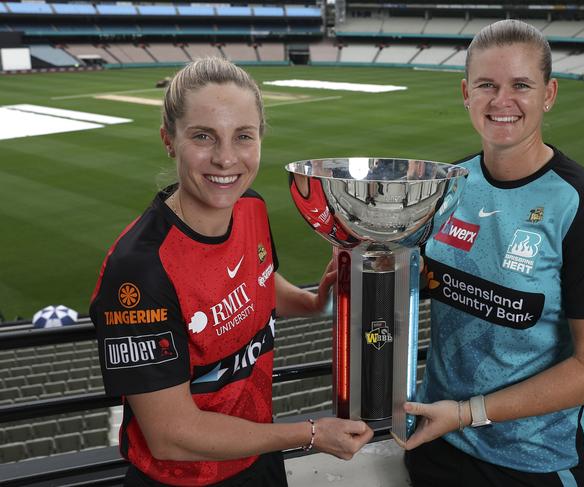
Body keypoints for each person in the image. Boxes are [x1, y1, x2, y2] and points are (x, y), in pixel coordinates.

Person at [89, 57, 373, 487]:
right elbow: (171, 437)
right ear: (169, 139)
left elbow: (259, 279)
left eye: (243, 136)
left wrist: (316, 299)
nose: (225, 159)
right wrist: (310, 434)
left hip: (257, 459)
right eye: (203, 136)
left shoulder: (251, 208)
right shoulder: (139, 270)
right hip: (182, 478)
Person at [402, 19, 584, 487]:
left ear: (548, 95)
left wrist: (469, 413)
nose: (501, 101)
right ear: (466, 93)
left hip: (534, 464)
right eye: (487, 85)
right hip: (436, 445)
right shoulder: (448, 187)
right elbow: (419, 284)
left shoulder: (583, 205)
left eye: (520, 85)